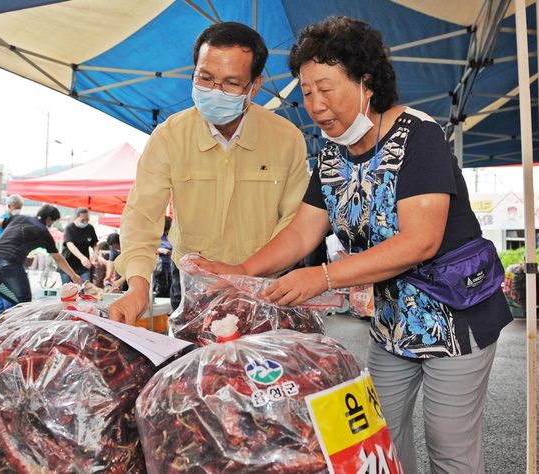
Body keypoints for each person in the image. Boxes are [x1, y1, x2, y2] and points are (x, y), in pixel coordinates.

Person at [196, 17, 512, 474]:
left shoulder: (418, 137)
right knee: (374, 433)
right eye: (306, 92)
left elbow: (419, 242)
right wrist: (240, 271)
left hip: (456, 318)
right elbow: (303, 232)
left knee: (449, 445)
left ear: (366, 82)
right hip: (391, 324)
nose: (315, 105)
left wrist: (321, 276)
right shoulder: (330, 154)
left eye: (326, 88)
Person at [110, 21, 309, 323]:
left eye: (230, 83)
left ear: (254, 86)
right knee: (193, 367)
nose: (215, 92)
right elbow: (142, 215)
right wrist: (138, 283)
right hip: (191, 285)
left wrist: (249, 271)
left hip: (263, 284)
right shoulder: (169, 136)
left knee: (261, 368)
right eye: (205, 78)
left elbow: (295, 222)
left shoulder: (287, 139)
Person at [0, 205, 81, 324]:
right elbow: (58, 258)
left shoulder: (19, 218)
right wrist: (74, 275)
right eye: (52, 221)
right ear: (49, 219)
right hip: (10, 265)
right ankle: (18, 330)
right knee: (24, 300)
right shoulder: (42, 231)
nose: (51, 224)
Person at [0, 194, 24, 316]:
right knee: (9, 291)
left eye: (20, 207)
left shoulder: (18, 220)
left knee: (4, 290)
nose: (19, 210)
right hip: (4, 261)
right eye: (17, 207)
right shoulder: (2, 220)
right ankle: (8, 317)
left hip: (13, 260)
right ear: (9, 206)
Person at [59, 207, 99, 284]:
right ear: (76, 218)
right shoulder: (69, 228)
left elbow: (95, 244)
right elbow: (70, 244)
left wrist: (96, 254)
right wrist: (82, 258)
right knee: (69, 290)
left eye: (87, 220)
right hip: (68, 264)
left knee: (85, 288)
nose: (85, 222)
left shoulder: (90, 228)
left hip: (83, 266)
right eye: (82, 220)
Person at [153, 216, 173, 298]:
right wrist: (161, 250)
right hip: (159, 268)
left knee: (168, 289)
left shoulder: (168, 236)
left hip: (169, 267)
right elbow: (149, 248)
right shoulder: (156, 236)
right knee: (160, 289)